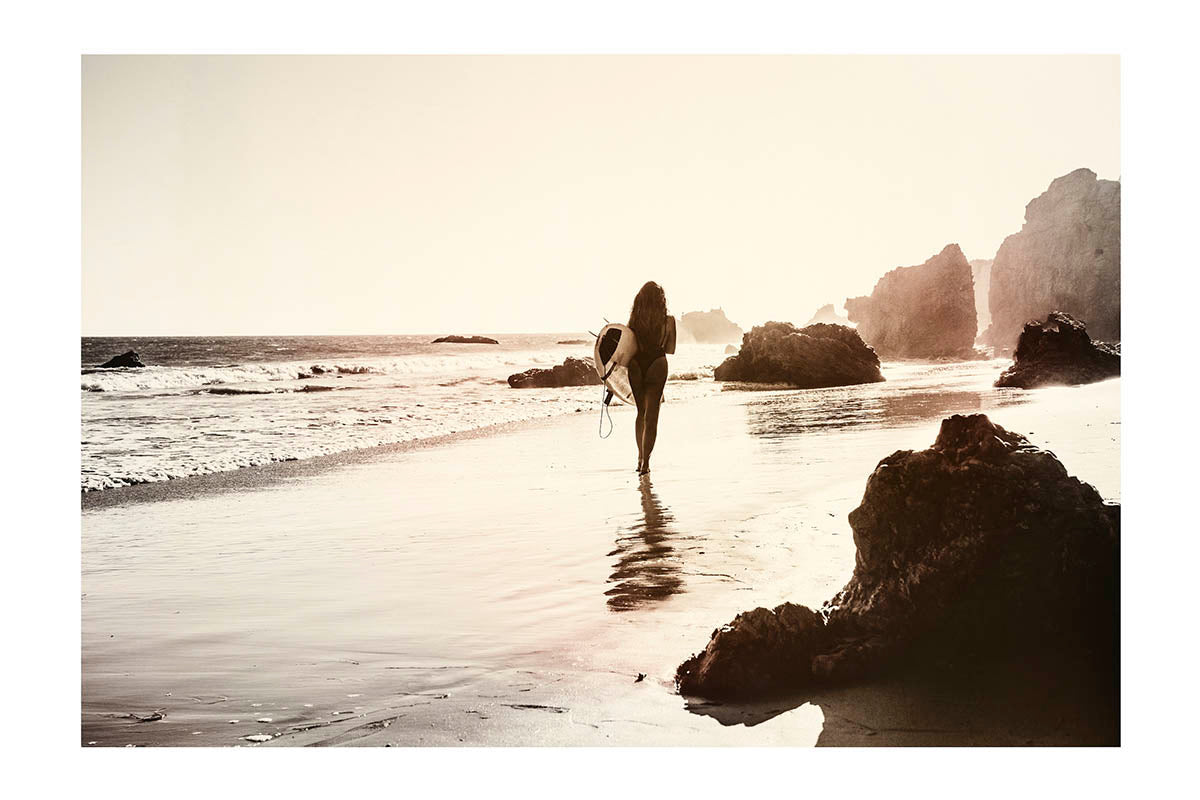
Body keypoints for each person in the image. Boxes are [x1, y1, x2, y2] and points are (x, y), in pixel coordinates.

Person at [626, 281, 676, 475]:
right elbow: (670, 350)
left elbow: (628, 345)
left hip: (636, 364)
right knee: (652, 417)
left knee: (641, 413)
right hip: (657, 362)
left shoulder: (634, 319)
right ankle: (646, 463)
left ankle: (639, 458)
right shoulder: (668, 320)